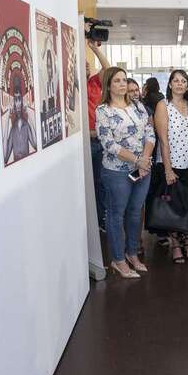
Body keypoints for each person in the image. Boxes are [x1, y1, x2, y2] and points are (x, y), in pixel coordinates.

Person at [96, 67, 155, 279]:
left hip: (142, 169)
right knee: (116, 214)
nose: (122, 84)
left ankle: (132, 253)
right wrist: (137, 160)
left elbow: (150, 132)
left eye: (124, 79)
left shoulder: (138, 106)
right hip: (116, 172)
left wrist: (144, 160)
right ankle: (118, 259)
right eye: (117, 80)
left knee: (135, 212)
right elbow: (109, 144)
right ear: (108, 85)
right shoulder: (103, 110)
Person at [154, 70, 188, 264]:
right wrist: (167, 169)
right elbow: (163, 140)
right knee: (172, 206)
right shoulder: (163, 105)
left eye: (184, 81)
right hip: (172, 164)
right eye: (176, 81)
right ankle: (175, 245)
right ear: (170, 84)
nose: (180, 84)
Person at [86, 40, 111, 232]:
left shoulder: (94, 83)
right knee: (92, 183)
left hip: (101, 142)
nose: (86, 66)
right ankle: (95, 219)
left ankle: (102, 218)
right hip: (85, 142)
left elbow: (108, 69)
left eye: (87, 64)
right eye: (82, 65)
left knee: (102, 182)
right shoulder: (70, 87)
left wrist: (95, 49)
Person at [3, 73, 37, 164]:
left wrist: (28, 113)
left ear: (22, 100)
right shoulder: (13, 129)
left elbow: (36, 144)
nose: (17, 104)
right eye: (15, 99)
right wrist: (7, 118)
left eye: (19, 99)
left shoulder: (26, 125)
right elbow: (5, 157)